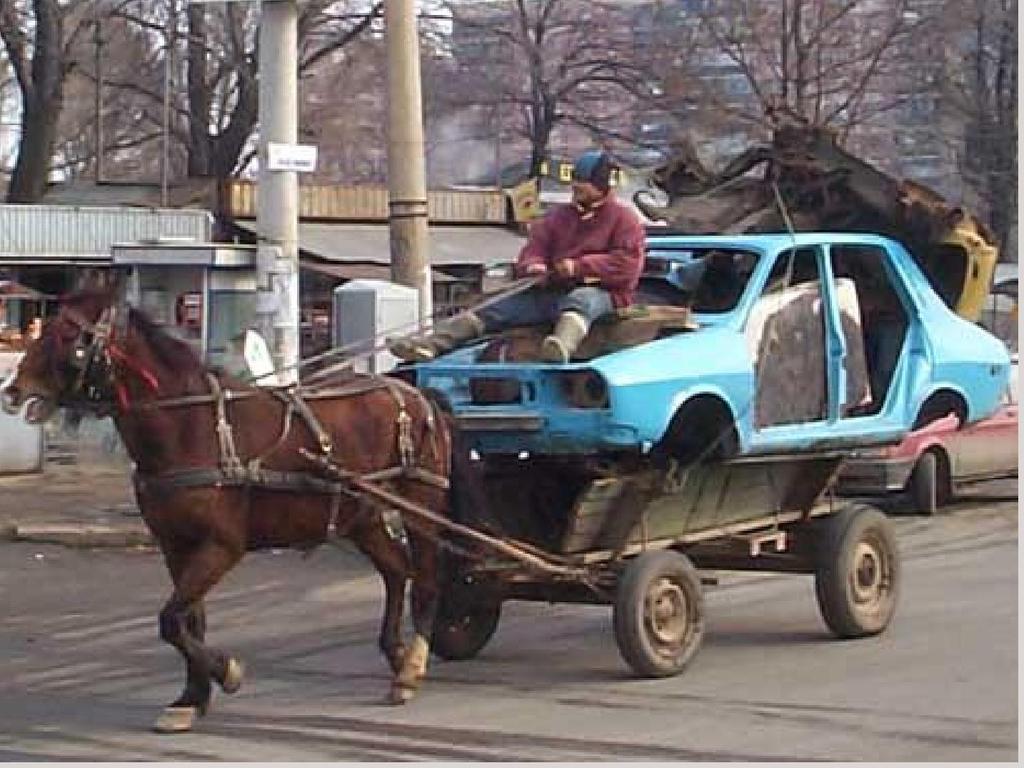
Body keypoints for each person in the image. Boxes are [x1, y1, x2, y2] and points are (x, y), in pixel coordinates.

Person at [389, 150, 646, 364]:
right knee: (493, 308)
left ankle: (561, 347)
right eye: (575, 180)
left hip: (603, 295)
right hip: (549, 292)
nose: (576, 186)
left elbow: (627, 265)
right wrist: (532, 266)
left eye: (584, 182)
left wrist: (579, 267)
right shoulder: (557, 216)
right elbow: (535, 248)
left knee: (581, 300)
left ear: (601, 186)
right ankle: (429, 345)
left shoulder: (625, 220)